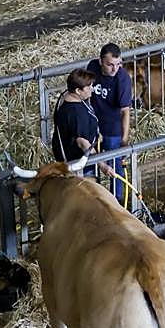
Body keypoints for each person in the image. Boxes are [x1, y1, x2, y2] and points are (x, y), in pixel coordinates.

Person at [85, 43, 134, 206]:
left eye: (118, 64)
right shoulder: (92, 67)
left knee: (115, 166)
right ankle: (91, 200)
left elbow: (125, 111)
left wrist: (124, 139)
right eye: (110, 64)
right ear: (100, 61)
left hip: (113, 129)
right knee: (88, 161)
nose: (115, 69)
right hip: (93, 127)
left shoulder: (123, 79)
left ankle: (118, 202)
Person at [50, 68, 101, 165]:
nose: (92, 89)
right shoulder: (75, 113)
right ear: (78, 90)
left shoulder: (65, 97)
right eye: (88, 86)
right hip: (79, 162)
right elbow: (82, 143)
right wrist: (101, 163)